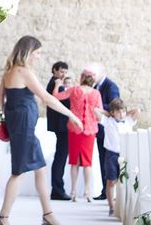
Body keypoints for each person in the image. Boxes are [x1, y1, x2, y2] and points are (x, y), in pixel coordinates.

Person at [0, 36, 82, 225]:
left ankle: (47, 214)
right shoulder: (24, 71)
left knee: (40, 169)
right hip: (24, 126)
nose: (39, 57)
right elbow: (47, 98)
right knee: (18, 171)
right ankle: (3, 218)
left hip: (20, 124)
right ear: (28, 52)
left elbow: (1, 96)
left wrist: (9, 117)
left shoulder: (9, 70)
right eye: (37, 53)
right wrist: (72, 115)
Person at [53, 67, 102, 202]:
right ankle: (87, 192)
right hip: (90, 130)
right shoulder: (96, 93)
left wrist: (57, 85)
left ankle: (73, 191)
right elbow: (99, 113)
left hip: (74, 128)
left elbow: (56, 97)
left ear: (82, 78)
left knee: (74, 161)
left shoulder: (74, 90)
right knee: (87, 162)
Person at [94, 98, 139, 216]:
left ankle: (125, 206)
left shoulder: (128, 121)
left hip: (126, 154)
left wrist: (125, 113)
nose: (121, 114)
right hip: (111, 155)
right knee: (111, 181)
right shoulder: (108, 121)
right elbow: (95, 110)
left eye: (123, 111)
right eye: (118, 112)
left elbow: (137, 111)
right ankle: (111, 207)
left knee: (126, 181)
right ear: (113, 112)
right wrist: (109, 113)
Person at [89, 63, 120, 200]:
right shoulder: (96, 86)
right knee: (102, 160)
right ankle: (105, 191)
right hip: (99, 128)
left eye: (94, 74)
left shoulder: (110, 86)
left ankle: (110, 193)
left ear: (102, 73)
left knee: (108, 162)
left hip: (107, 130)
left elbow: (115, 106)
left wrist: (96, 107)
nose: (92, 77)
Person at [46, 61, 71, 200]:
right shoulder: (56, 84)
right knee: (60, 157)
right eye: (61, 71)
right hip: (61, 126)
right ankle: (57, 190)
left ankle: (57, 189)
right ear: (55, 70)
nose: (64, 74)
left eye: (65, 72)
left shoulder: (56, 83)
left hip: (59, 125)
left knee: (60, 157)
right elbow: (63, 102)